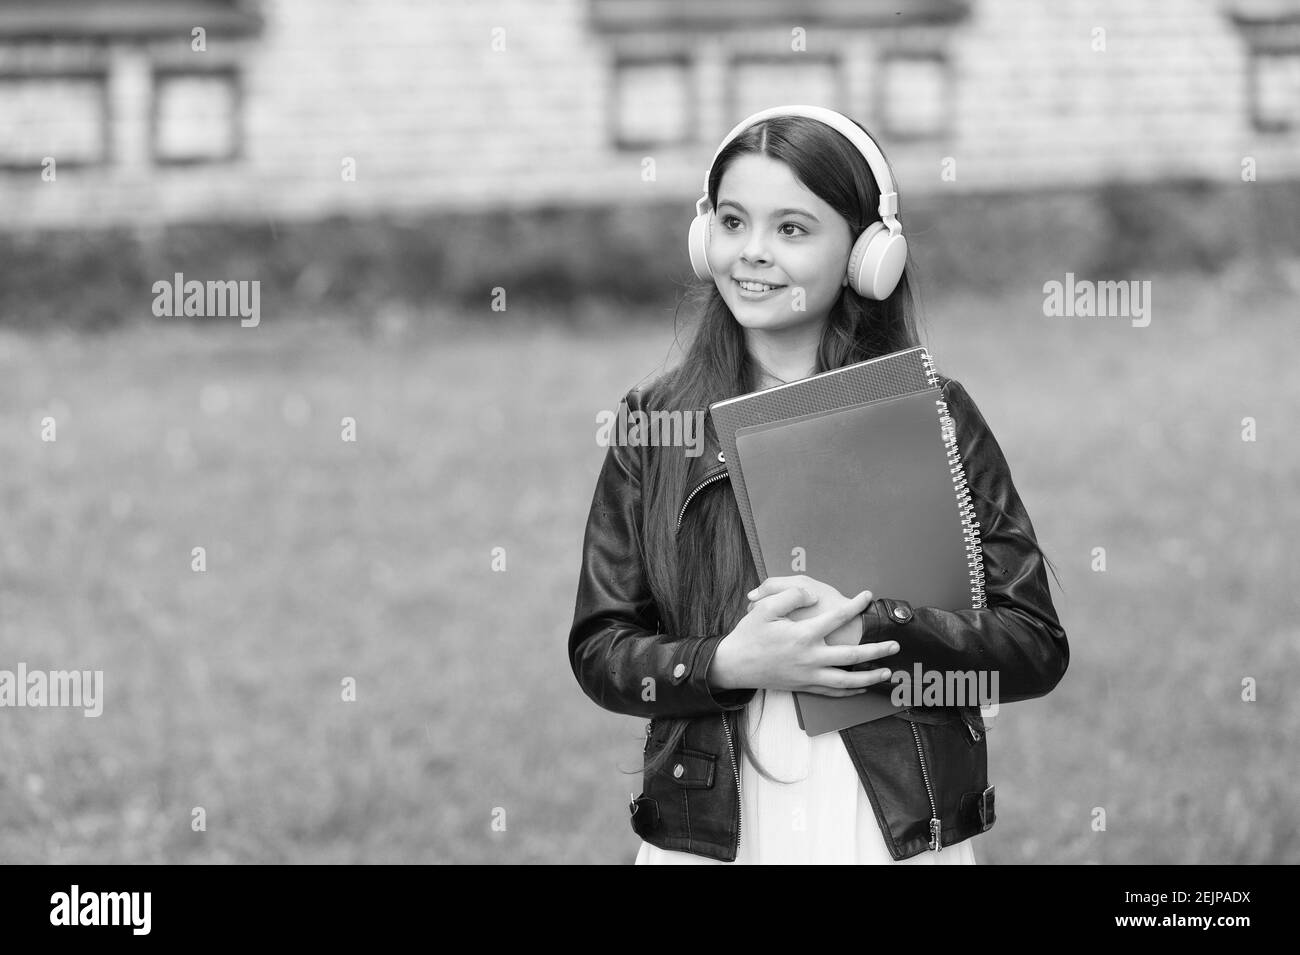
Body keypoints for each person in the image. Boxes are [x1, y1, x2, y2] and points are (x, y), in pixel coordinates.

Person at [568, 105, 1069, 864]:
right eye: (733, 223)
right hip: (714, 832)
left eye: (793, 229)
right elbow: (602, 647)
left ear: (869, 254)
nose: (753, 254)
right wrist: (726, 663)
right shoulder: (653, 422)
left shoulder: (934, 412)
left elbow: (1032, 645)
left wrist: (880, 631)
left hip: (890, 825)